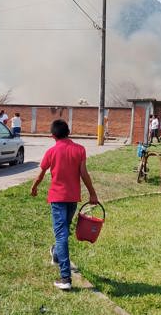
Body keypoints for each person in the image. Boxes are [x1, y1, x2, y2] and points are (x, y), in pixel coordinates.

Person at [30, 119, 99, 291]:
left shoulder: (51, 151)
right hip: (72, 199)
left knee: (61, 234)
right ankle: (56, 253)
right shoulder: (80, 150)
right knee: (63, 231)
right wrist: (92, 192)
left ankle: (65, 278)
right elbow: (84, 173)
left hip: (57, 199)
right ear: (68, 132)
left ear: (52, 135)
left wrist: (34, 187)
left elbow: (41, 174)